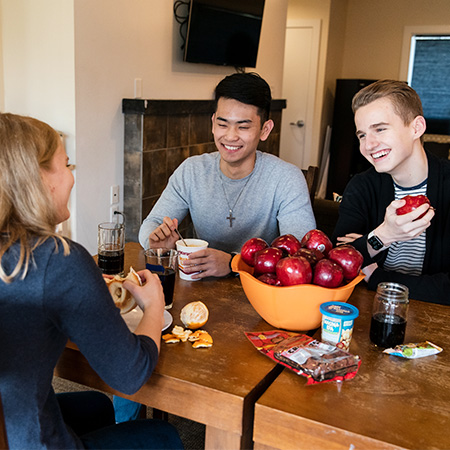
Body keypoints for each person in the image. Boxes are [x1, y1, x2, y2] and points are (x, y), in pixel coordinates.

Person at [0, 113, 184, 449]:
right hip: (28, 441)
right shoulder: (58, 259)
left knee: (98, 406)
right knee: (164, 436)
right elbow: (130, 375)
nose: (71, 178)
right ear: (38, 178)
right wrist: (154, 305)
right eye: (66, 165)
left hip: (12, 419)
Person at [139, 72, 316, 278]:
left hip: (262, 291)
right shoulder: (192, 171)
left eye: (243, 126)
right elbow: (150, 225)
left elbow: (300, 256)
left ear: (265, 130)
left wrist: (235, 263)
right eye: (222, 124)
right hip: (200, 288)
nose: (230, 136)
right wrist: (156, 243)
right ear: (213, 123)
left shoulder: (286, 179)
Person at [332, 79, 450, 304]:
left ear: (416, 128)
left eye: (380, 129)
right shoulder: (361, 187)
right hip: (368, 314)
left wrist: (376, 275)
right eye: (362, 135)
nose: (368, 145)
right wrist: (385, 235)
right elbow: (337, 263)